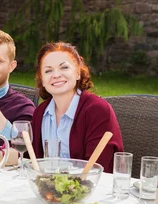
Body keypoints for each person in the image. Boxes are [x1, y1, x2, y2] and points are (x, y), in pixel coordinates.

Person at [30, 42, 123, 172]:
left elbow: (98, 170)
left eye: (64, 68)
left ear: (78, 73)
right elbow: (34, 163)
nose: (56, 75)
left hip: (89, 189)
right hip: (47, 189)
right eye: (48, 70)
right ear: (42, 79)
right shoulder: (40, 113)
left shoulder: (98, 111)